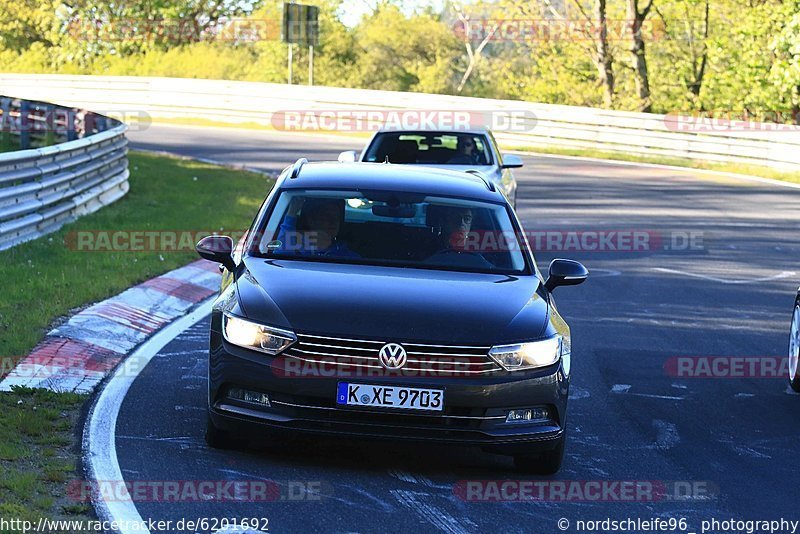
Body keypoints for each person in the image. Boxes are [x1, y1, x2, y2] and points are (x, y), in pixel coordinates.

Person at [271, 197, 359, 258]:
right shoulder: (294, 250)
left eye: (336, 218)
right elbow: (281, 261)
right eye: (326, 217)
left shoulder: (349, 257)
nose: (333, 222)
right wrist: (292, 213)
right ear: (311, 221)